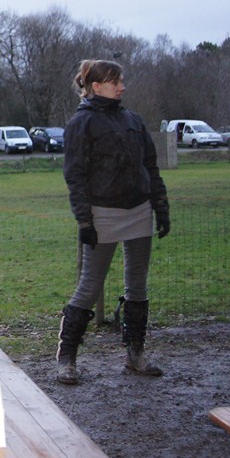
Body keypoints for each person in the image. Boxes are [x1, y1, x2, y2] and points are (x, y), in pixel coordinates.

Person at [56, 59, 171, 385]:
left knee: (137, 285)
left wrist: (160, 207)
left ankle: (135, 356)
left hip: (139, 212)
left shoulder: (133, 120)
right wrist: (85, 221)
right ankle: (66, 359)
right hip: (102, 214)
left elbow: (150, 167)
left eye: (120, 80)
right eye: (114, 81)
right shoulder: (81, 123)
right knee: (89, 287)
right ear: (95, 86)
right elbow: (74, 176)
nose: (121, 86)